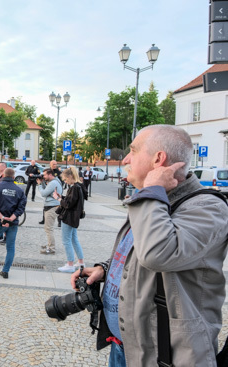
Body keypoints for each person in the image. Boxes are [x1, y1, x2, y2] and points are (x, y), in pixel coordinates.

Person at [71, 125, 228, 367]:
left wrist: (152, 190)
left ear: (158, 159)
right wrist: (106, 268)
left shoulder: (208, 207)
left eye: (133, 150)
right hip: (125, 347)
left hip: (164, 357)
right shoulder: (153, 201)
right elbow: (139, 251)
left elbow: (157, 254)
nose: (125, 159)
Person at [54, 166, 86, 273]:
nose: (65, 181)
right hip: (74, 217)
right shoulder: (77, 187)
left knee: (66, 240)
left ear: (71, 176)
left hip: (69, 217)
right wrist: (62, 197)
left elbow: (68, 204)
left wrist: (58, 199)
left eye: (65, 179)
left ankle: (70, 264)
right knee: (74, 239)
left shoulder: (74, 188)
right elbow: (71, 201)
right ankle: (80, 262)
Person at [36, 169, 63, 255]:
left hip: (52, 207)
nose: (43, 176)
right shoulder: (55, 181)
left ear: (50, 174)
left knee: (49, 228)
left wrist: (39, 185)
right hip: (52, 206)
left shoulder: (53, 183)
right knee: (48, 228)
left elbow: (43, 193)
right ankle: (49, 244)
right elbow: (47, 190)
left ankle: (51, 248)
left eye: (45, 175)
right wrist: (43, 183)